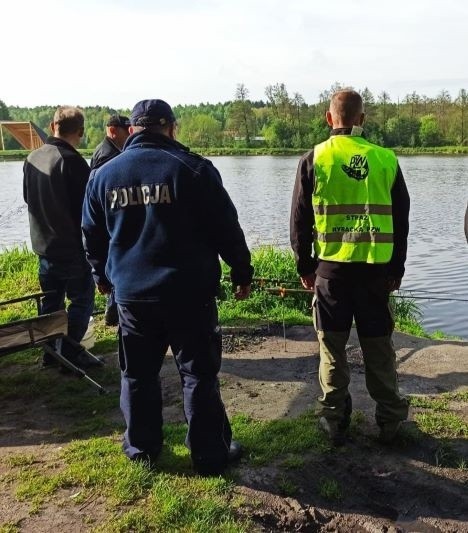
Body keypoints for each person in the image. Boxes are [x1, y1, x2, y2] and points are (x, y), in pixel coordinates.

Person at [82, 99, 253, 474]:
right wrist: (242, 272)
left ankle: (142, 449)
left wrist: (103, 280)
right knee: (197, 375)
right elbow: (226, 228)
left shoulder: (103, 176)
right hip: (189, 295)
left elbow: (92, 237)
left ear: (133, 130)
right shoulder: (193, 170)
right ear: (171, 128)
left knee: (138, 374)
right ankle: (209, 454)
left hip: (132, 297)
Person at [290, 89, 410, 446]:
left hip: (331, 275)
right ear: (362, 119)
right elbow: (401, 220)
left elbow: (299, 220)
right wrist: (396, 269)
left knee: (332, 350)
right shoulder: (386, 160)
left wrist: (305, 264)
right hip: (374, 274)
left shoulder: (315, 159)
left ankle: (333, 419)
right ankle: (390, 421)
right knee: (379, 349)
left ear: (329, 119)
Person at [23, 106, 98, 368]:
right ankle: (70, 352)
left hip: (43, 247)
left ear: (52, 125)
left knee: (51, 303)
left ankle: (50, 353)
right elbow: (89, 211)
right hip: (71, 249)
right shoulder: (74, 162)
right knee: (81, 299)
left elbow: (27, 198)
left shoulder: (32, 158)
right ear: (80, 131)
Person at [90, 114, 131, 326]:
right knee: (115, 272)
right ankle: (114, 313)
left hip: (108, 227)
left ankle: (114, 312)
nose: (129, 135)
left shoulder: (108, 151)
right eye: (126, 130)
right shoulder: (107, 156)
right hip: (109, 228)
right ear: (114, 130)